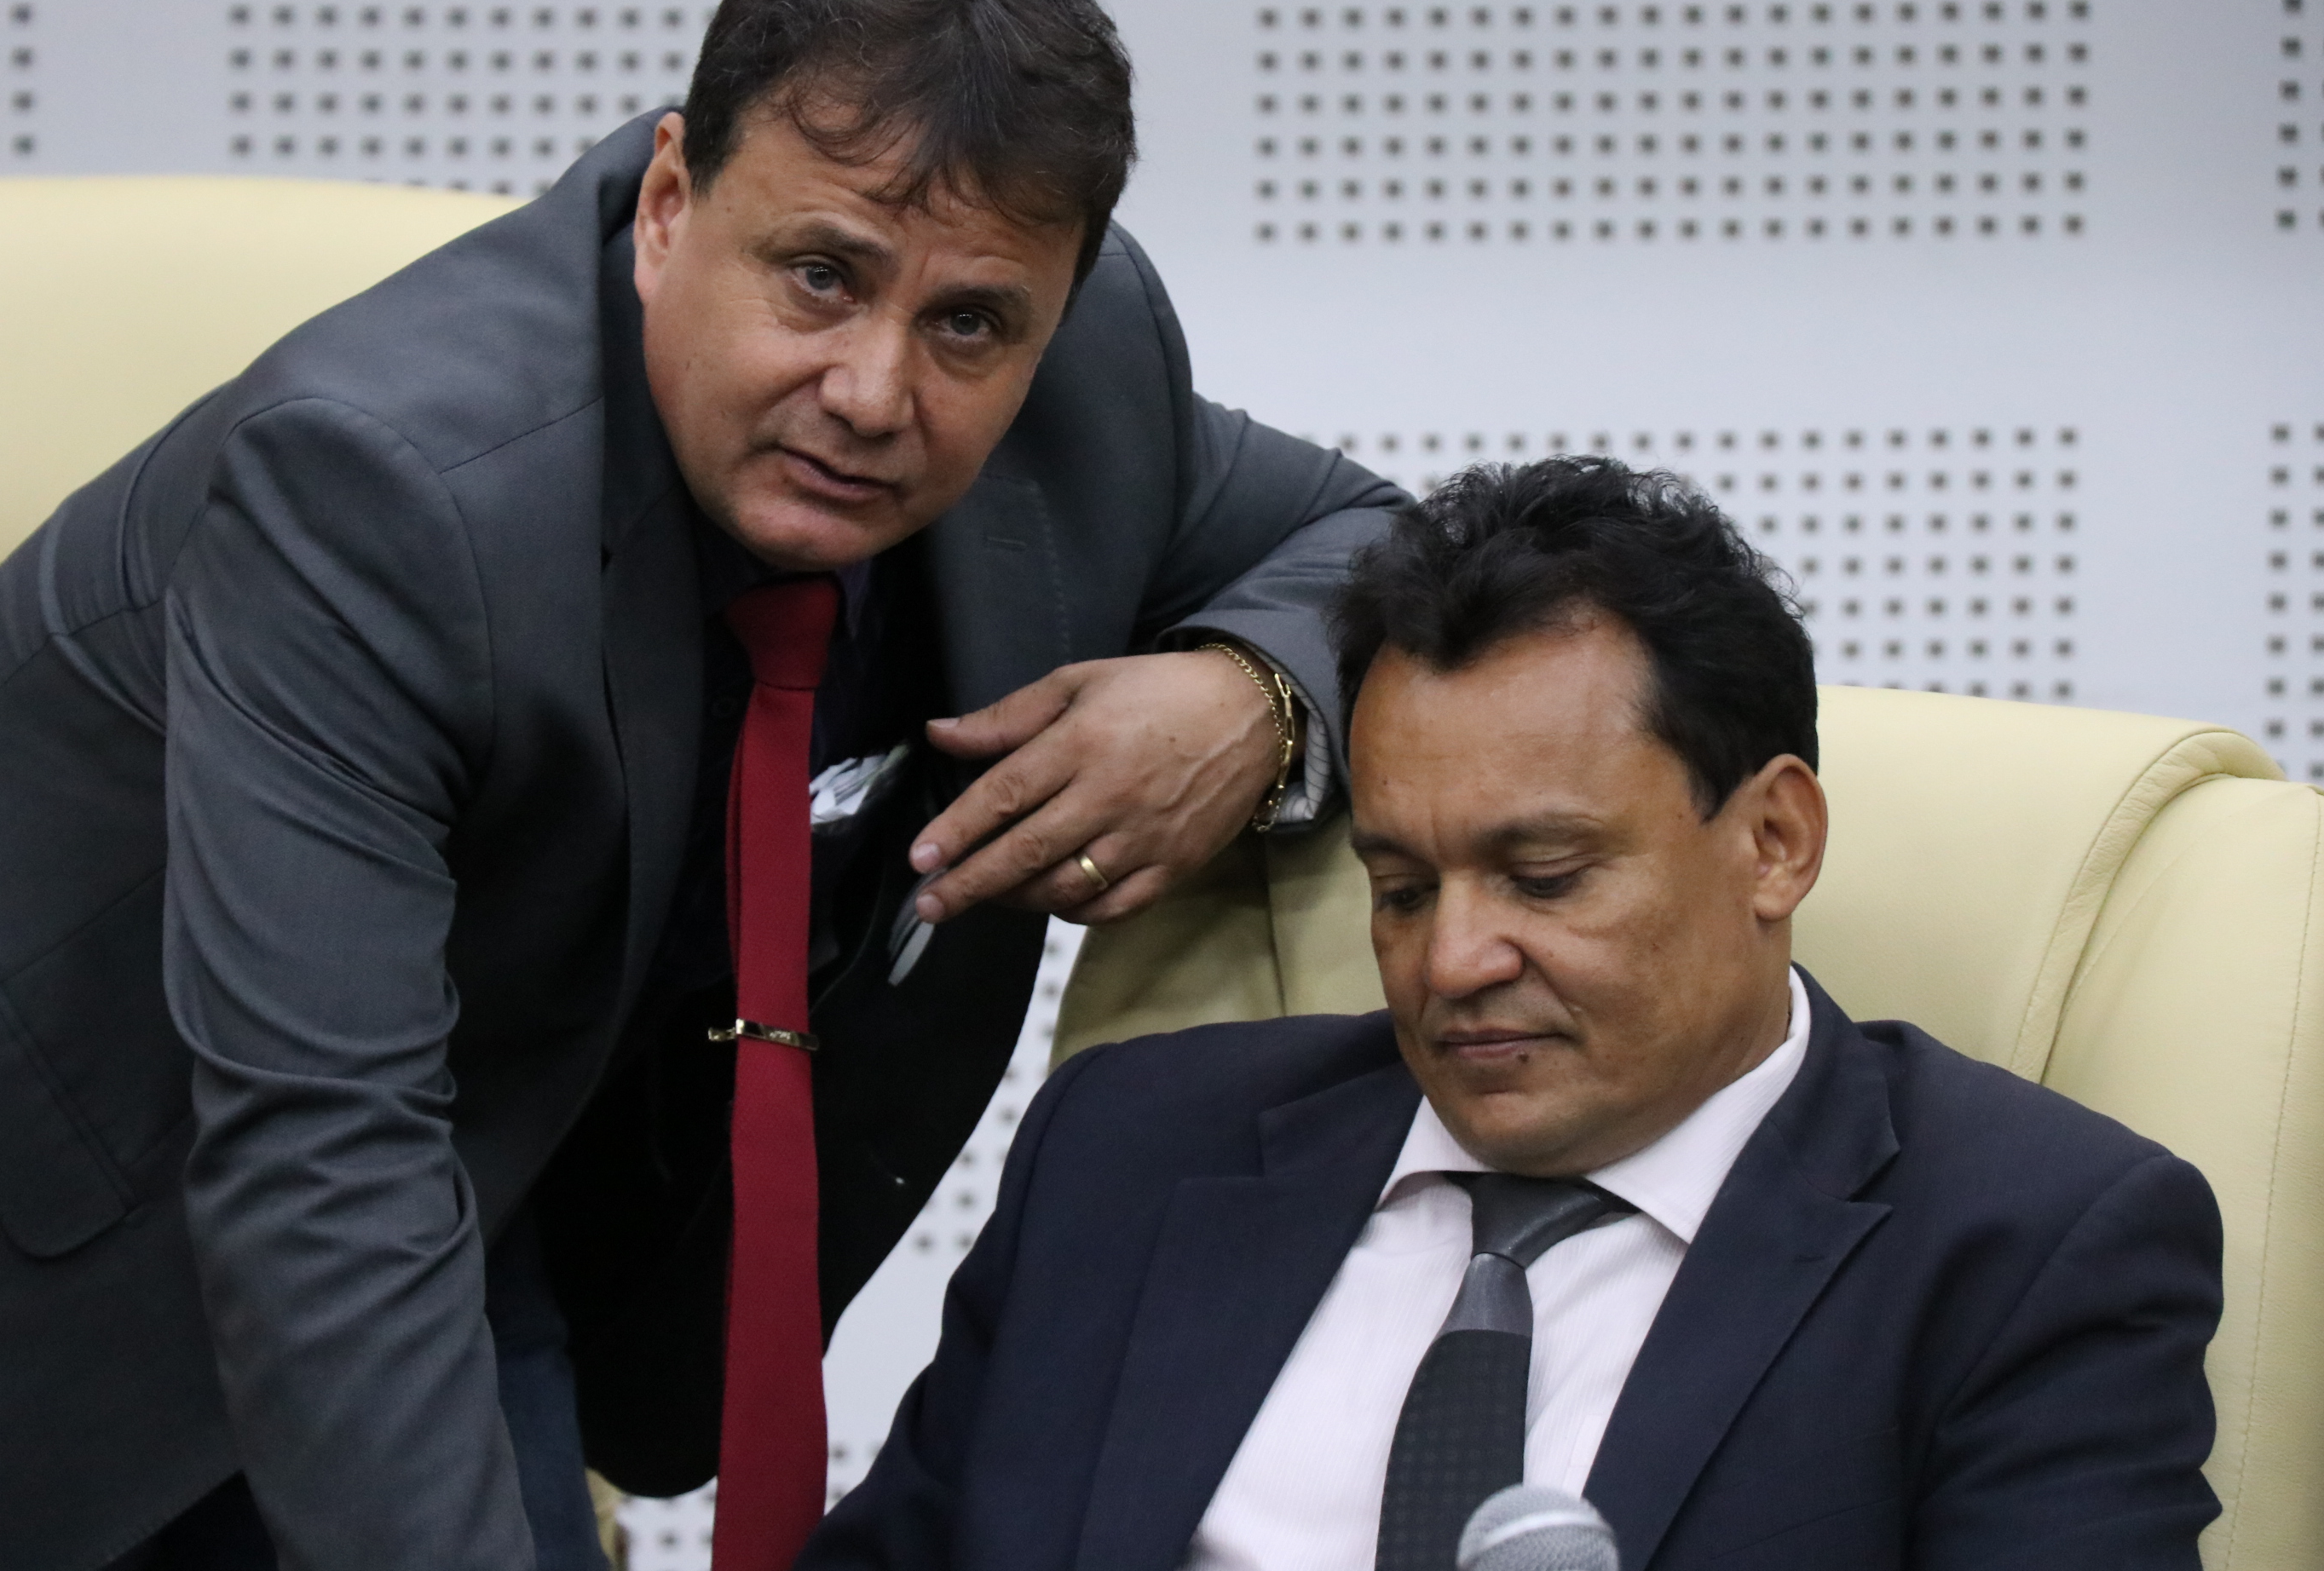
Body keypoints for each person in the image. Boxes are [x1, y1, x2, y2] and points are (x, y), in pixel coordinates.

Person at [0, 0, 1402, 1571]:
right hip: (12, 1176)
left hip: (474, 1139)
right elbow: (324, 1160)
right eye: (821, 276)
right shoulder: (380, 487)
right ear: (668, 206)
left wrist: (1252, 692)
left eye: (970, 326)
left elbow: (1376, 540)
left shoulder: (1080, 370)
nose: (876, 389)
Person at [804, 459, 2224, 1571]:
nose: (1453, 960)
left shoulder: (2028, 1249)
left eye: (1544, 878)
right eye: (1402, 889)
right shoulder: (1132, 1148)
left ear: (1775, 842)